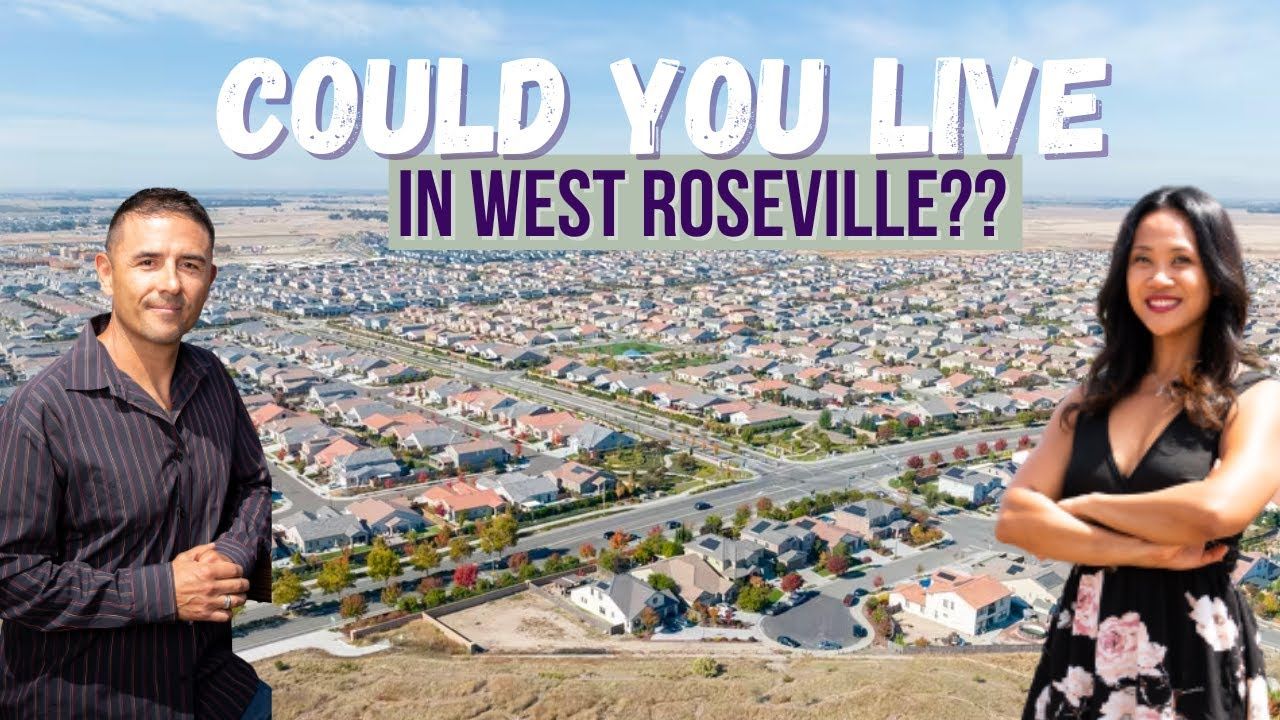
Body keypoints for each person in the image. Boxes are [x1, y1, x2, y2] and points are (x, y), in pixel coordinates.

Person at [995, 186, 1280, 719]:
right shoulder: (1092, 396)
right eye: (1141, 260)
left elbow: (1217, 512)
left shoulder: (1255, 397)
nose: (1159, 277)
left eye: (1182, 260)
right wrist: (1149, 550)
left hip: (1194, 650)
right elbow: (1013, 518)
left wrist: (1082, 507)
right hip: (1084, 641)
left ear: (1217, 278)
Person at [0, 189, 273, 719]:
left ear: (210, 281)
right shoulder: (41, 412)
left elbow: (252, 485)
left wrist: (233, 556)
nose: (170, 283)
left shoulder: (212, 378)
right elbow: (10, 574)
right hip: (83, 702)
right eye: (147, 262)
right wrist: (162, 591)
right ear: (105, 272)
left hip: (215, 693)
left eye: (189, 265)